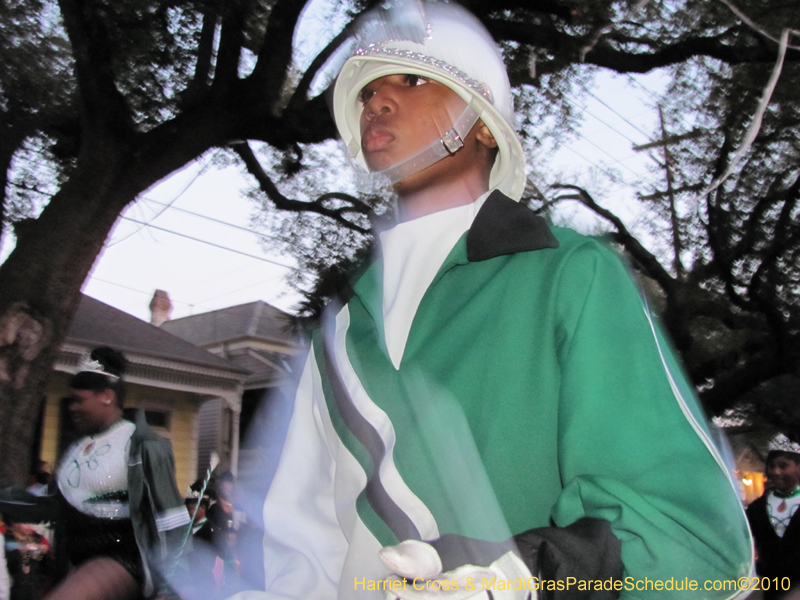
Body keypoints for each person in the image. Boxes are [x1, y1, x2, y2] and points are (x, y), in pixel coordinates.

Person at [220, 2, 753, 599]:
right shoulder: (338, 332)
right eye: (367, 92)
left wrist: (529, 574)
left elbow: (692, 540)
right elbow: (302, 553)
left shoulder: (568, 275)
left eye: (412, 79)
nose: (377, 101)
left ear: (481, 122)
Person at [0, 346, 190, 600]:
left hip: (122, 558)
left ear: (107, 396)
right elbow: (48, 504)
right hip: (76, 561)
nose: (72, 407)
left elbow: (171, 520)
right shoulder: (76, 450)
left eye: (79, 400)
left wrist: (172, 588)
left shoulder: (141, 445)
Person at [746, 434, 800, 598]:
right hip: (771, 587)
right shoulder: (757, 508)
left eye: (783, 466)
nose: (776, 472)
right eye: (772, 466)